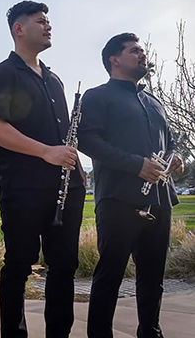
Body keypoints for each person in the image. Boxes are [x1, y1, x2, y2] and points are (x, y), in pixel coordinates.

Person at [0, 0, 86, 338]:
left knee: (64, 268)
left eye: (48, 21)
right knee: (18, 266)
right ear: (19, 29)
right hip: (24, 189)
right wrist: (47, 153)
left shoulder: (54, 79)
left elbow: (64, 133)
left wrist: (78, 169)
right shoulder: (1, 74)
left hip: (66, 189)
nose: (49, 26)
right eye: (41, 21)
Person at [78, 33, 184, 338]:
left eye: (143, 50)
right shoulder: (97, 96)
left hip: (160, 199)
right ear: (114, 59)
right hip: (118, 200)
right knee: (110, 275)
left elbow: (171, 141)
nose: (143, 54)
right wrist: (136, 165)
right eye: (135, 50)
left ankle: (151, 333)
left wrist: (175, 157)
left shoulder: (155, 101)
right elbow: (87, 140)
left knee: (153, 278)